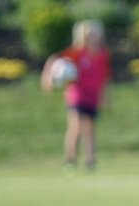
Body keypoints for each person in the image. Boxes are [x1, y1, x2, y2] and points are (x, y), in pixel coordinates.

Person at [40, 20, 110, 171]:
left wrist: (105, 96)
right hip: (77, 96)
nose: (92, 37)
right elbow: (54, 59)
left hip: (93, 97)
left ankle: (90, 161)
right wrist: (47, 78)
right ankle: (70, 160)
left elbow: (105, 77)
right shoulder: (76, 53)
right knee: (76, 126)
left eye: (94, 34)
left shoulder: (103, 55)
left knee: (90, 128)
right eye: (89, 34)